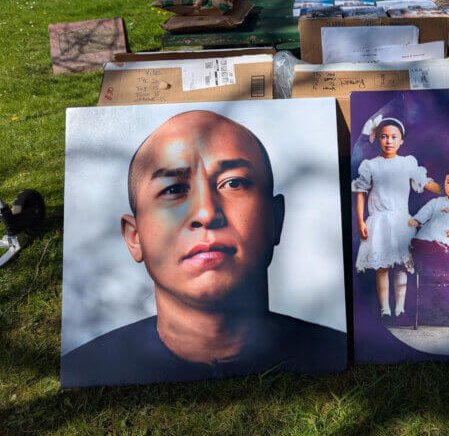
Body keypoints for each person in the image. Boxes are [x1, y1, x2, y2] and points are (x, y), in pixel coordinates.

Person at [61, 110, 346, 388]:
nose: (207, 213)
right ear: (134, 237)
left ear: (276, 220)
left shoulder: (336, 351)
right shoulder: (87, 367)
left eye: (234, 183)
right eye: (173, 190)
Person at [352, 116, 441, 327]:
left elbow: (425, 182)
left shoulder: (407, 163)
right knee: (382, 267)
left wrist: (444, 190)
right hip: (379, 222)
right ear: (378, 139)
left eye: (394, 137)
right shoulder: (370, 165)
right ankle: (385, 310)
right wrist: (361, 221)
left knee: (401, 266)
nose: (389, 141)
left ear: (401, 141)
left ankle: (400, 310)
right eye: (384, 136)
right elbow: (361, 193)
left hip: (401, 221)